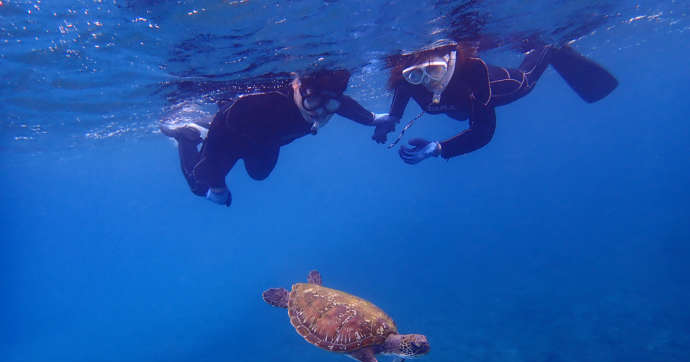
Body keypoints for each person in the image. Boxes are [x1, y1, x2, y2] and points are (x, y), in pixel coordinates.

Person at [162, 70, 394, 206]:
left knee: (259, 175)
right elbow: (224, 124)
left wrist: (372, 119)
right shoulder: (261, 104)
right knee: (200, 185)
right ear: (296, 86)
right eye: (313, 103)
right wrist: (218, 187)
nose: (319, 112)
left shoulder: (325, 100)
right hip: (230, 138)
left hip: (266, 142)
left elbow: (345, 105)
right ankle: (188, 134)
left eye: (329, 105)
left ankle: (203, 128)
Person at [372, 40, 619, 164]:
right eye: (416, 75)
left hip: (496, 87)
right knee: (426, 90)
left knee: (527, 81)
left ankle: (546, 48)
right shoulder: (408, 82)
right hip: (456, 107)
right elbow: (402, 92)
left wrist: (439, 148)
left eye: (435, 71)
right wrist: (391, 119)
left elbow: (483, 131)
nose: (428, 82)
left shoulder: (473, 76)